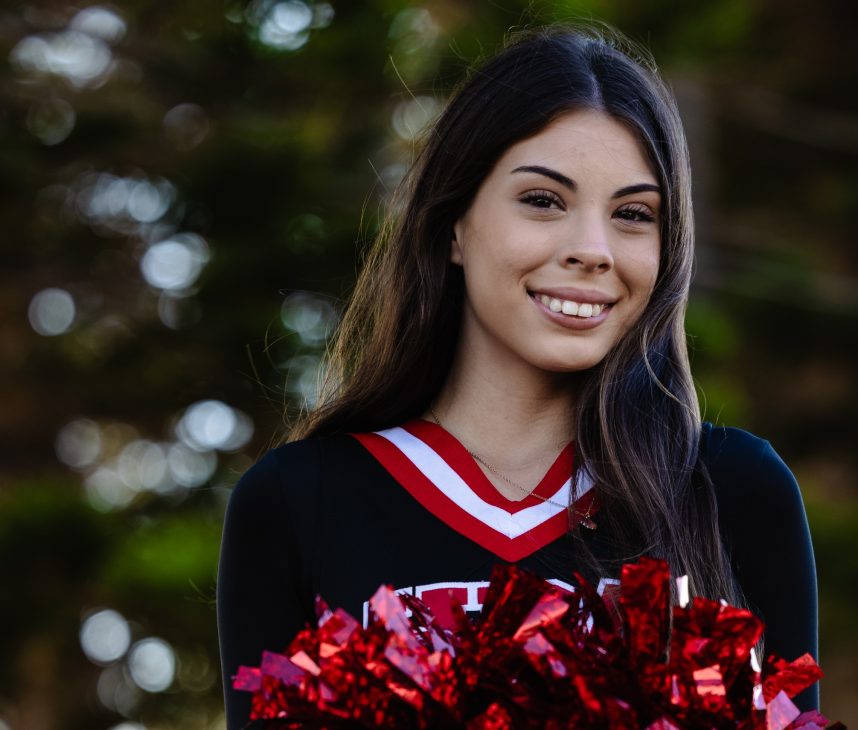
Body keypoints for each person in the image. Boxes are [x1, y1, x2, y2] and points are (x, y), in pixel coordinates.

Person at [217, 24, 818, 728]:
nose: (592, 250)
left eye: (633, 214)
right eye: (543, 200)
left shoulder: (734, 491)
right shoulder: (298, 503)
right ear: (453, 224)